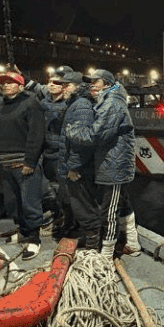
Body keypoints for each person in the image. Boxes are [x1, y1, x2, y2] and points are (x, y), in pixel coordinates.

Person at [65, 68, 141, 259]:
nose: (92, 85)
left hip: (114, 165)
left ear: (106, 84)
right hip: (113, 163)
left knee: (109, 210)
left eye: (95, 82)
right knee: (122, 202)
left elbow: (97, 134)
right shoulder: (108, 99)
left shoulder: (112, 104)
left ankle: (106, 252)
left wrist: (72, 132)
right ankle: (132, 243)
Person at [0, 69, 45, 260]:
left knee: (30, 202)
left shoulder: (30, 103)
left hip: (24, 163)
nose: (5, 85)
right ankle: (23, 231)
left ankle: (34, 239)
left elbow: (37, 134)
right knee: (13, 202)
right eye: (2, 83)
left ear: (20, 86)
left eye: (10, 82)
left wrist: (30, 161)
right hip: (4, 163)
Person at [56, 72, 98, 246]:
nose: (63, 88)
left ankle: (93, 244)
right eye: (63, 85)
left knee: (83, 206)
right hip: (76, 165)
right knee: (81, 204)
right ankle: (91, 238)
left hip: (79, 169)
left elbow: (81, 140)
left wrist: (74, 166)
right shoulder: (75, 103)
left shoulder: (80, 105)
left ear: (78, 87)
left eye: (68, 85)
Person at [38, 71, 70, 224]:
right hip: (46, 152)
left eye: (56, 82)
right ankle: (56, 213)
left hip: (61, 153)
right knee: (49, 186)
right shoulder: (43, 103)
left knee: (63, 188)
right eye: (50, 81)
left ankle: (65, 217)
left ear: (64, 87)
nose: (51, 84)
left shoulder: (68, 105)